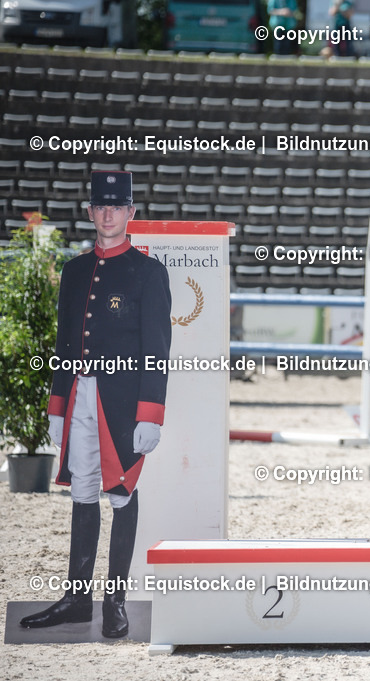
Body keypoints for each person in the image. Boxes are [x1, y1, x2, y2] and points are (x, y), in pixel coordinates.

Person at [20, 171, 171, 639]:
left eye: (117, 206)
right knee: (82, 491)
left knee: (120, 493)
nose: (108, 213)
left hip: (123, 403)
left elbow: (156, 348)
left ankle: (116, 603)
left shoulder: (149, 271)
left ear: (130, 212)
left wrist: (150, 412)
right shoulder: (75, 270)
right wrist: (57, 405)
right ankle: (77, 598)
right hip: (80, 393)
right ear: (90, 212)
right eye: (100, 206)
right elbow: (66, 343)